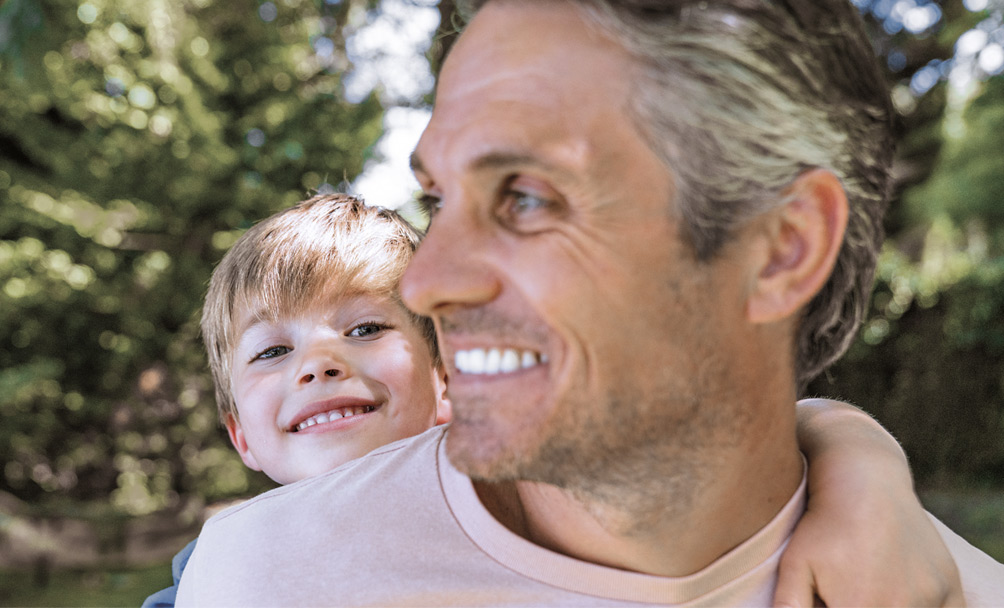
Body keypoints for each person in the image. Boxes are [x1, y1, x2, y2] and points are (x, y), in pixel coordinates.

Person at [175, 1, 1004, 604]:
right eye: (439, 204)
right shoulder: (261, 575)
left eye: (527, 198)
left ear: (783, 247)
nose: (428, 284)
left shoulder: (940, 587)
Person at [142, 194, 451, 607]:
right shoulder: (206, 574)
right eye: (271, 351)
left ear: (446, 381)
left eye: (365, 328)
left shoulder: (526, 519)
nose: (318, 363)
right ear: (241, 436)